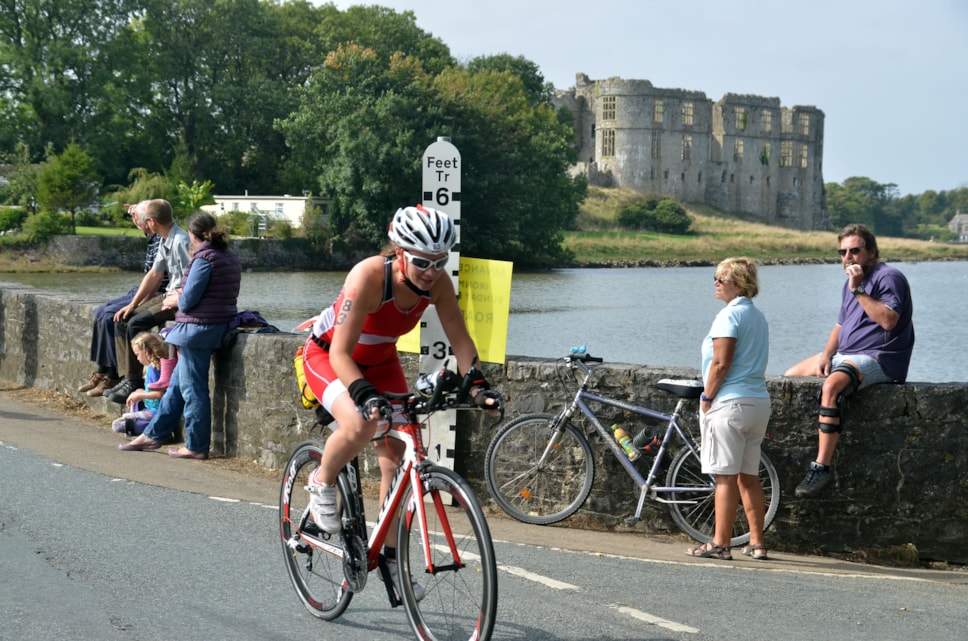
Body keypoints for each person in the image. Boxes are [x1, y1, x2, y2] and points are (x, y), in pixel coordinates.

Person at [301, 205, 502, 599]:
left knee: (396, 457)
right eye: (423, 261)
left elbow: (459, 337)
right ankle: (321, 481)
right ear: (399, 249)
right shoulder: (369, 275)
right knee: (360, 426)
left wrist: (477, 385)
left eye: (440, 261)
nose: (431, 271)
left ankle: (390, 558)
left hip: (380, 360)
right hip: (328, 356)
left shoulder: (438, 282)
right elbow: (341, 352)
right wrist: (363, 394)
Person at [785, 223, 914, 498]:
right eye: (843, 252)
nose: (848, 257)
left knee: (831, 387)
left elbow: (889, 321)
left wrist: (858, 290)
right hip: (846, 354)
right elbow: (841, 325)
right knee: (789, 377)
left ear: (872, 252)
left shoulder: (889, 277)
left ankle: (821, 466)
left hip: (879, 358)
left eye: (855, 251)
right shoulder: (850, 282)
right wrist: (826, 355)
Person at [118, 211, 242, 460]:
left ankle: (196, 446)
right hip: (213, 325)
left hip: (198, 330)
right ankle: (154, 434)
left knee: (193, 389)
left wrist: (176, 297)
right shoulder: (228, 255)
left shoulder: (204, 258)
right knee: (176, 386)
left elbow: (189, 299)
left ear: (191, 234)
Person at [686, 257, 772, 561]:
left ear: (738, 284)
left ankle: (720, 543)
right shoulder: (757, 316)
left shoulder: (728, 316)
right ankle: (757, 543)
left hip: (730, 403)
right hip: (758, 402)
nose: (716, 283)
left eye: (721, 279)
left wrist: (707, 397)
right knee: (748, 476)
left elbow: (721, 364)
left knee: (724, 476)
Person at [78, 202, 169, 397]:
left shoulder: (164, 238)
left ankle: (114, 374)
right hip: (142, 287)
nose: (137, 222)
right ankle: (102, 370)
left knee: (115, 316)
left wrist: (134, 303)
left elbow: (156, 278)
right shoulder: (154, 236)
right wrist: (135, 212)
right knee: (101, 312)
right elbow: (149, 218)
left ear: (150, 222)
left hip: (154, 291)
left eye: (138, 219)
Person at [103, 199, 191, 404]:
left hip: (179, 301)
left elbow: (191, 277)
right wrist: (132, 304)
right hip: (168, 294)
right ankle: (127, 377)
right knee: (123, 318)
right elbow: (154, 274)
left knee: (136, 323)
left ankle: (134, 382)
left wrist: (178, 296)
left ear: (151, 221)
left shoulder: (181, 241)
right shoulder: (164, 239)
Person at [111, 331, 167, 437]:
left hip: (154, 412)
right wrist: (140, 393)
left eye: (137, 354)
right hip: (149, 409)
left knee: (116, 425)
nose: (137, 358)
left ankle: (153, 430)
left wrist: (141, 395)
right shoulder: (151, 367)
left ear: (146, 351)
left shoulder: (154, 369)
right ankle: (143, 425)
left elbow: (159, 394)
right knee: (137, 393)